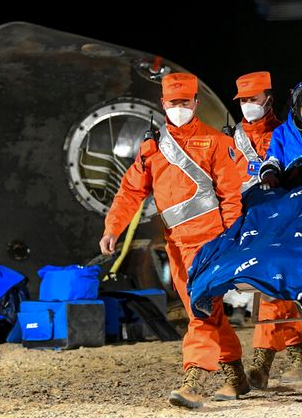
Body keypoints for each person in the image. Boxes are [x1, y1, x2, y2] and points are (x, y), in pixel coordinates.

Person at [99, 73, 250, 410]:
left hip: (210, 244)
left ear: (195, 103)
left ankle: (195, 379)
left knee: (200, 312)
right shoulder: (151, 147)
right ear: (163, 104)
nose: (179, 108)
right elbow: (130, 191)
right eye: (173, 103)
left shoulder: (216, 142)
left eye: (185, 102)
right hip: (176, 246)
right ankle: (236, 373)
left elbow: (230, 197)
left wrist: (229, 241)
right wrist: (113, 228)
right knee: (208, 313)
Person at [227, 71, 302, 389]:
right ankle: (298, 352)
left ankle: (261, 364)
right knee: (273, 291)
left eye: (254, 99)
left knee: (270, 292)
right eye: (243, 100)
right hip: (249, 225)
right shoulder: (233, 138)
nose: (248, 105)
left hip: (283, 224)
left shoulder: (288, 135)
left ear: (268, 99)